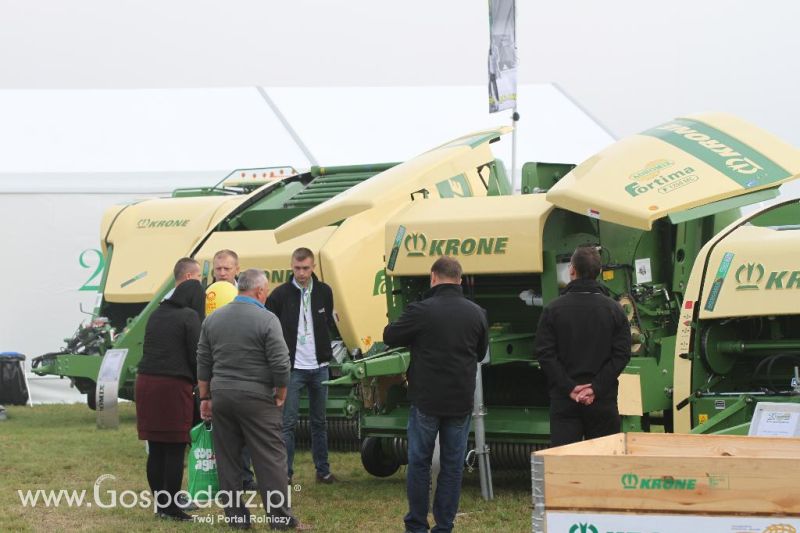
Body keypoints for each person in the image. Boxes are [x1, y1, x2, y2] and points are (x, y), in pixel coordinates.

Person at [383, 256, 488, 533]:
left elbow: (390, 335)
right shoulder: (477, 312)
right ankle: (444, 525)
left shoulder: (421, 310)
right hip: (460, 400)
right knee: (453, 466)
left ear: (433, 277)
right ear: (460, 280)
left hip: (426, 400)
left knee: (419, 462)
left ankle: (417, 524)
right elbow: (479, 353)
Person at [197, 269, 304, 530]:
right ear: (259, 291)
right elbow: (281, 363)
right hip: (257, 398)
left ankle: (236, 518)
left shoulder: (213, 319)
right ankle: (279, 517)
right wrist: (281, 393)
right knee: (270, 458)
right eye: (265, 291)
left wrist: (205, 397)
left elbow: (203, 360)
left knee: (228, 459)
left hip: (221, 395)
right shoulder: (267, 319)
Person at [534, 245, 631, 446]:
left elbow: (545, 354)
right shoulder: (615, 310)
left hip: (565, 401)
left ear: (572, 270)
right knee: (604, 463)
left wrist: (569, 388)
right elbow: (621, 355)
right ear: (600, 272)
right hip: (603, 400)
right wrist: (595, 388)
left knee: (566, 465)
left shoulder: (553, 310)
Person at [135, 257, 204, 521]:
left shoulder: (157, 314)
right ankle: (173, 508)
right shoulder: (189, 317)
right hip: (172, 387)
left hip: (146, 384)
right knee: (175, 447)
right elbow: (196, 356)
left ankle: (160, 505)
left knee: (156, 447)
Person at [266, 247, 337, 484]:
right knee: (287, 422)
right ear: (291, 267)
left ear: (313, 267)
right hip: (292, 368)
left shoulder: (325, 291)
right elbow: (270, 329)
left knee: (320, 422)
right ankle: (284, 474)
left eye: (306, 268)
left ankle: (323, 471)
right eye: (297, 268)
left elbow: (328, 323)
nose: (301, 273)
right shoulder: (279, 295)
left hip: (320, 366)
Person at [211, 249, 257, 491]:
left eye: (226, 268)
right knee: (223, 433)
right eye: (218, 268)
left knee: (246, 430)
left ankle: (246, 478)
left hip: (245, 369)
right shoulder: (206, 296)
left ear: (237, 270)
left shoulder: (247, 294)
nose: (221, 273)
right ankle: (224, 481)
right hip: (217, 370)